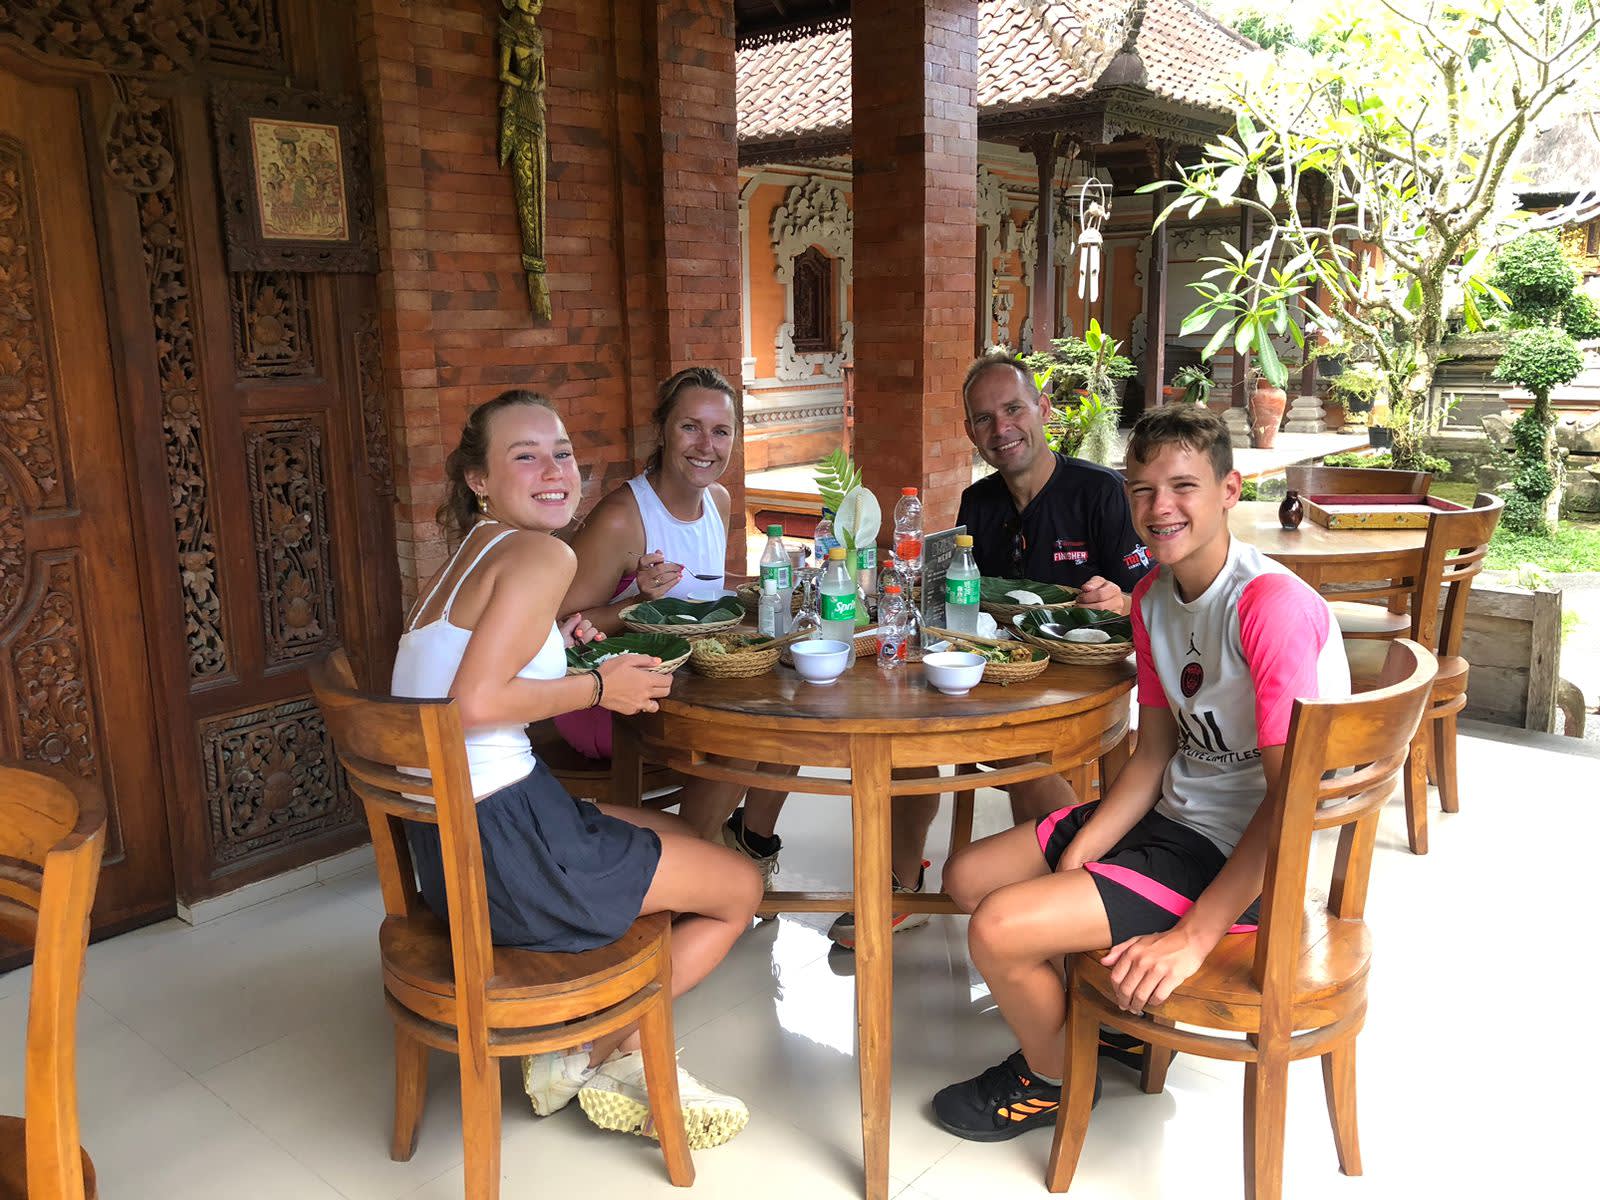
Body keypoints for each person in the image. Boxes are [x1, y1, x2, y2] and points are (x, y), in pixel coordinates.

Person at [928, 405, 1349, 1141]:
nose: (1161, 508)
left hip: (1240, 858)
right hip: (1171, 820)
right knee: (968, 878)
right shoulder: (1153, 596)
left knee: (997, 929)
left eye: (1183, 486)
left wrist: (1194, 938)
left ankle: (1055, 1077)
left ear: (1229, 490)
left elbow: (1294, 802)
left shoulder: (1267, 606)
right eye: (1143, 490)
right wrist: (1087, 849)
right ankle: (1114, 1028)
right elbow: (1154, 752)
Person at [391, 389, 760, 1148]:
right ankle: (588, 1049)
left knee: (675, 835)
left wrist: (573, 652)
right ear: (479, 479)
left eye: (561, 452)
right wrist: (598, 688)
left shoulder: (466, 558)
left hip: (448, 853)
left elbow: (474, 675)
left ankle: (602, 1017)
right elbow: (473, 702)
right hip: (506, 849)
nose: (555, 470)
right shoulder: (541, 553)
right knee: (739, 889)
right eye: (525, 456)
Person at [557, 366, 796, 868]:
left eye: (721, 431)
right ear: (662, 430)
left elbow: (704, 594)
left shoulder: (719, 501)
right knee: (746, 732)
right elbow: (560, 627)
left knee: (795, 710)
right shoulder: (623, 517)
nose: (706, 445)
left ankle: (750, 845)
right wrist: (635, 602)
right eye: (690, 427)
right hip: (605, 699)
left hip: (684, 684)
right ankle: (691, 865)